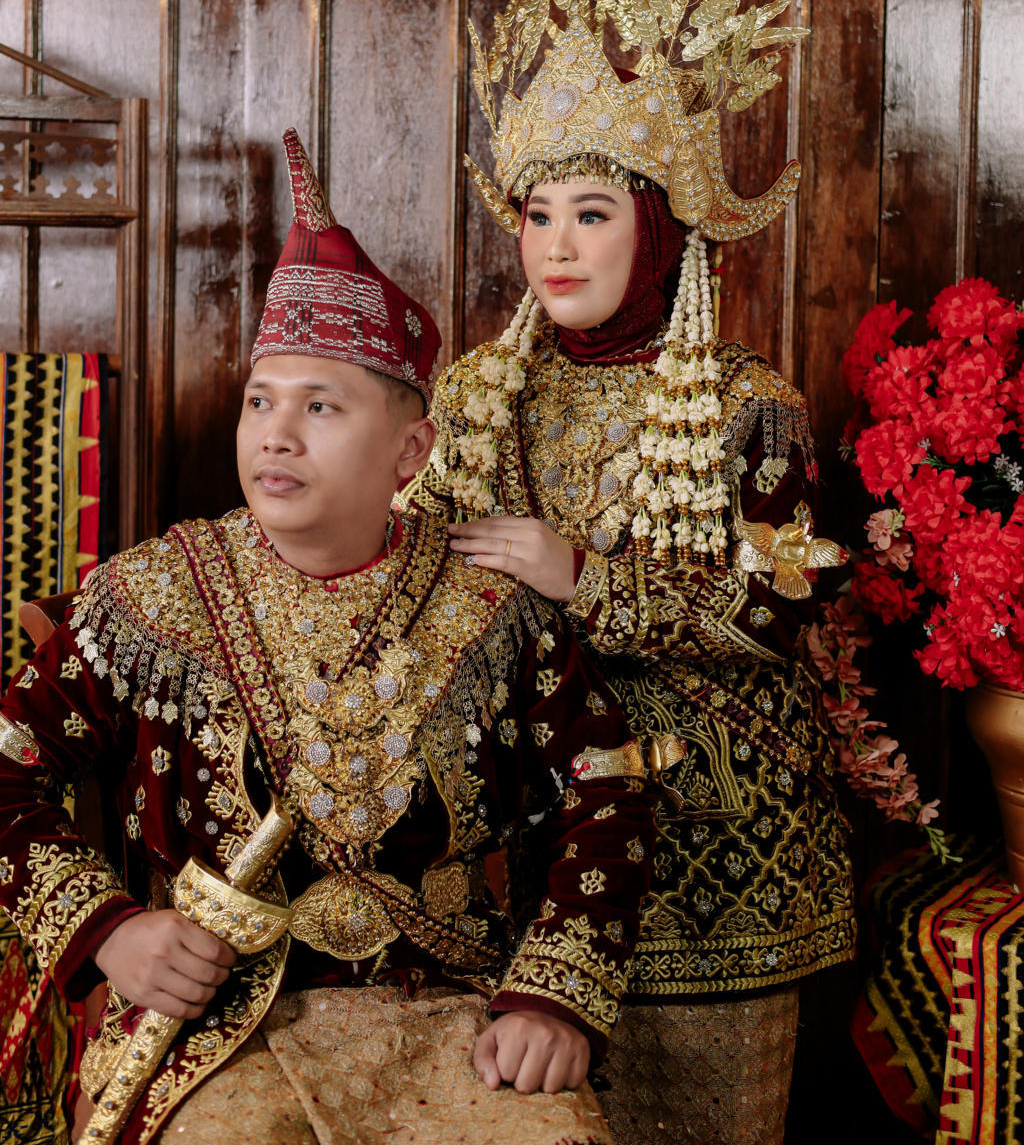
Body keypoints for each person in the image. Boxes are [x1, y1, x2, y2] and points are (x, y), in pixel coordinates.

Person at [0, 129, 655, 1145]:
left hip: (453, 1019)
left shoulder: (491, 610)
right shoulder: (151, 596)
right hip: (214, 1025)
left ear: (411, 451)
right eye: (260, 401)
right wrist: (109, 932)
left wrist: (553, 997)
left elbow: (607, 784)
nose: (277, 432)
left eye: (320, 406)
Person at [430, 0, 857, 1145]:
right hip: (530, 841)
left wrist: (583, 578)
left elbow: (778, 613)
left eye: (592, 214)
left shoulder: (749, 406)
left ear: (659, 230)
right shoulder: (474, 395)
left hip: (717, 856)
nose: (555, 248)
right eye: (537, 215)